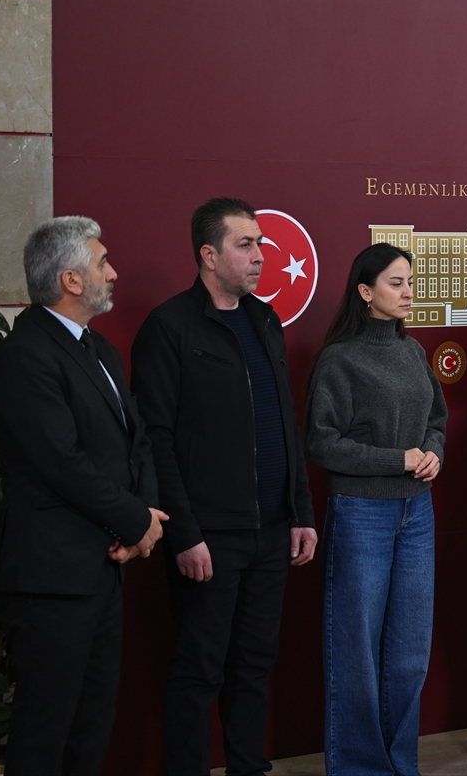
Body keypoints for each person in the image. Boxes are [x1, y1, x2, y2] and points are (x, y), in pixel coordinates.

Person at [131, 197, 318, 775]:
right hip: (208, 537)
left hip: (272, 530)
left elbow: (285, 422)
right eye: (246, 244)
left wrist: (301, 512)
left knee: (255, 665)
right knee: (199, 669)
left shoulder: (264, 319)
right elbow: (156, 439)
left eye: (260, 244)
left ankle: (247, 766)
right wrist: (185, 534)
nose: (261, 255)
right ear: (209, 255)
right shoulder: (169, 326)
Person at [0, 217, 167, 775]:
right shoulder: (23, 354)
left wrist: (144, 519)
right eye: (101, 263)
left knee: (91, 728)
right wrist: (136, 521)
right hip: (52, 579)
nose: (112, 273)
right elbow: (60, 463)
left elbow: (138, 442)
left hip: (104, 567)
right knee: (46, 732)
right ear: (70, 279)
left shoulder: (101, 350)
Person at [304, 243, 447, 775]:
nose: (408, 292)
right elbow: (321, 442)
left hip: (417, 514)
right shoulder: (340, 358)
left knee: (410, 652)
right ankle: (359, 769)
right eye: (395, 282)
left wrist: (432, 452)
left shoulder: (412, 351)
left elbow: (436, 420)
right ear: (365, 292)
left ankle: (401, 765)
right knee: (356, 651)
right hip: (362, 512)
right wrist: (397, 459)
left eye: (410, 281)